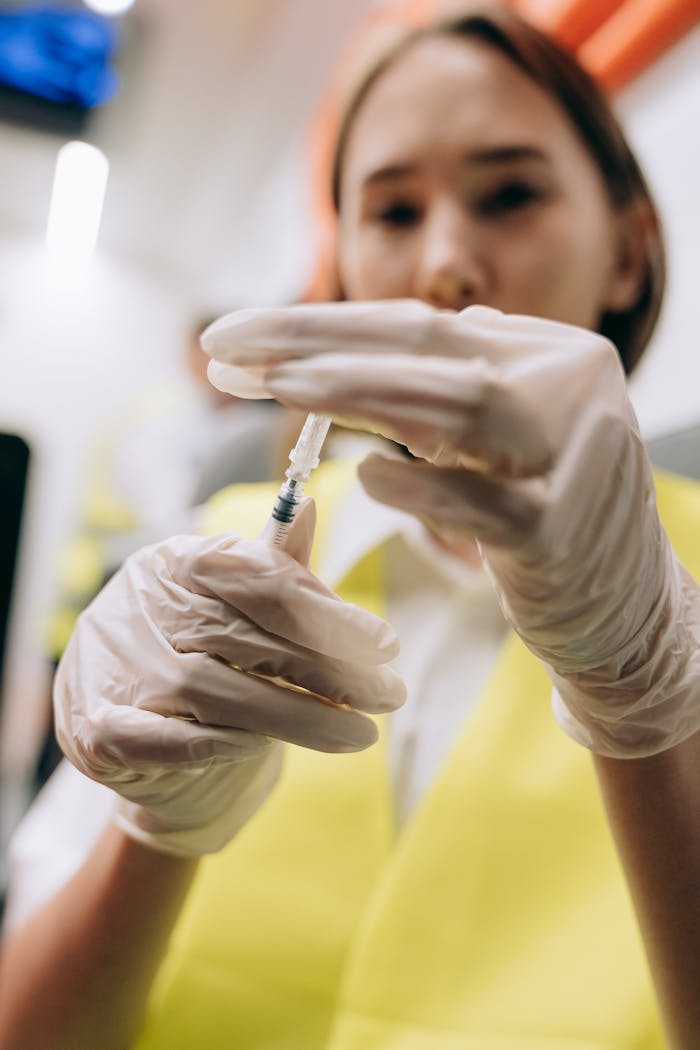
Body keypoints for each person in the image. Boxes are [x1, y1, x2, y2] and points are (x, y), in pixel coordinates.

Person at [1, 5, 700, 1048]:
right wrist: (160, 825)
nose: (446, 266)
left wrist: (648, 699)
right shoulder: (220, 557)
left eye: (510, 193)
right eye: (391, 211)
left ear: (627, 255)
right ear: (343, 269)